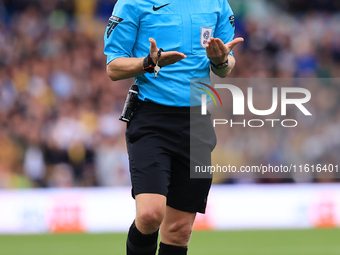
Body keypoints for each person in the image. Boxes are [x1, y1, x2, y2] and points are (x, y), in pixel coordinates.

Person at [104, 0, 243, 254]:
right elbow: (113, 67)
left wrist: (222, 60)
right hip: (151, 118)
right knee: (149, 215)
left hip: (196, 121)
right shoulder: (133, 3)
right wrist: (149, 62)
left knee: (179, 231)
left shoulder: (217, 4)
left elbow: (225, 67)